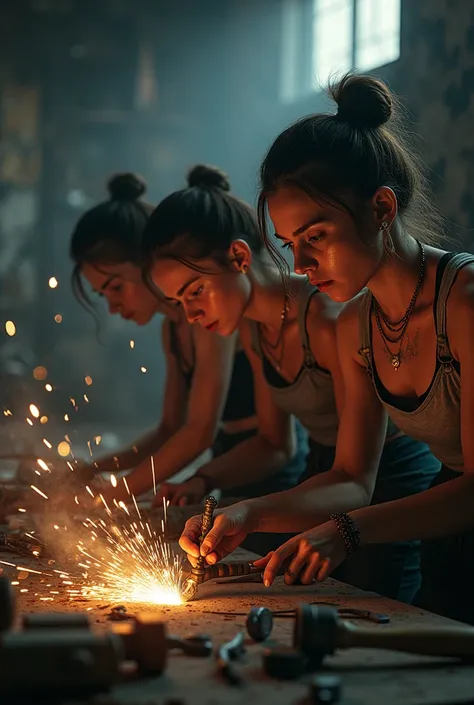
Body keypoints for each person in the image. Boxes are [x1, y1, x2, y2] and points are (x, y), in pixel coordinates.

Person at [179, 73, 474, 624]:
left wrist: (348, 531)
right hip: (447, 521)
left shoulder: (463, 305)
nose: (301, 265)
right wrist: (246, 513)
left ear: (382, 208)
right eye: (291, 245)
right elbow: (351, 479)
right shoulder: (356, 324)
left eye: (316, 236)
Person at [143, 162, 440, 603]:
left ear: (240, 258)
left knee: (370, 603)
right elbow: (273, 442)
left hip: (385, 484)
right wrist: (206, 485)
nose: (190, 315)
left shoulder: (326, 319)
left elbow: (355, 474)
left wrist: (247, 510)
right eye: (178, 302)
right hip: (322, 475)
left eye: (195, 292)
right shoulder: (254, 329)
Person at [69, 172, 305, 523]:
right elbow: (170, 428)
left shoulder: (217, 319)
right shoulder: (176, 329)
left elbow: (198, 431)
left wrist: (117, 493)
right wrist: (91, 472)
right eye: (103, 296)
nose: (113, 308)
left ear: (148, 265)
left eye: (116, 288)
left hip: (265, 466)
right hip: (228, 463)